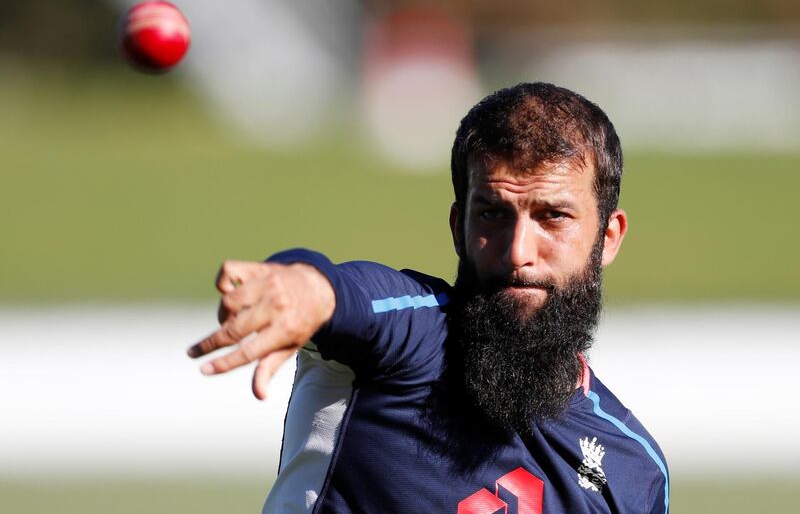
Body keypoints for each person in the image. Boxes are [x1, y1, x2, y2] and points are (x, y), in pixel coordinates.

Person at [188, 82, 669, 514]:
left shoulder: (632, 471)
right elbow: (339, 294)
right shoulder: (406, 340)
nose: (519, 252)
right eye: (493, 214)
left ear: (607, 237)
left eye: (553, 217)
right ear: (459, 227)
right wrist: (299, 286)